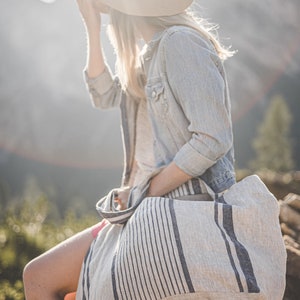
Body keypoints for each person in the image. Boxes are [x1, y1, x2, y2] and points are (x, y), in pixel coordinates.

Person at [23, 0, 236, 299]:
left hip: (179, 205)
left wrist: (145, 192)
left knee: (40, 277)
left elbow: (213, 138)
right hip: (146, 207)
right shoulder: (148, 57)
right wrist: (91, 27)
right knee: (46, 278)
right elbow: (104, 95)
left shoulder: (180, 42)